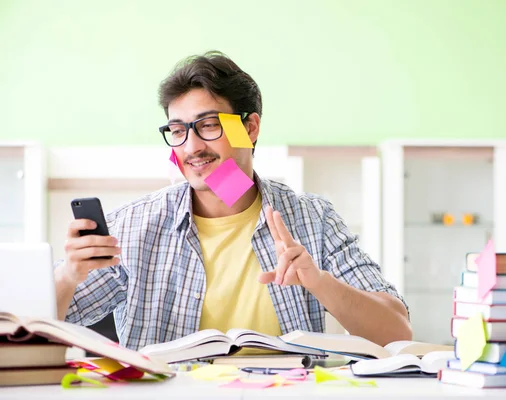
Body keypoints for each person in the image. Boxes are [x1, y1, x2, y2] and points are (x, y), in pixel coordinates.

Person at [53, 50, 412, 351]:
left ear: (250, 128)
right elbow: (29, 330)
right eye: (178, 130)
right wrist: (69, 276)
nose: (192, 147)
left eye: (208, 125)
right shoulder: (131, 227)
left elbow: (396, 332)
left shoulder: (311, 218)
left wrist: (319, 281)